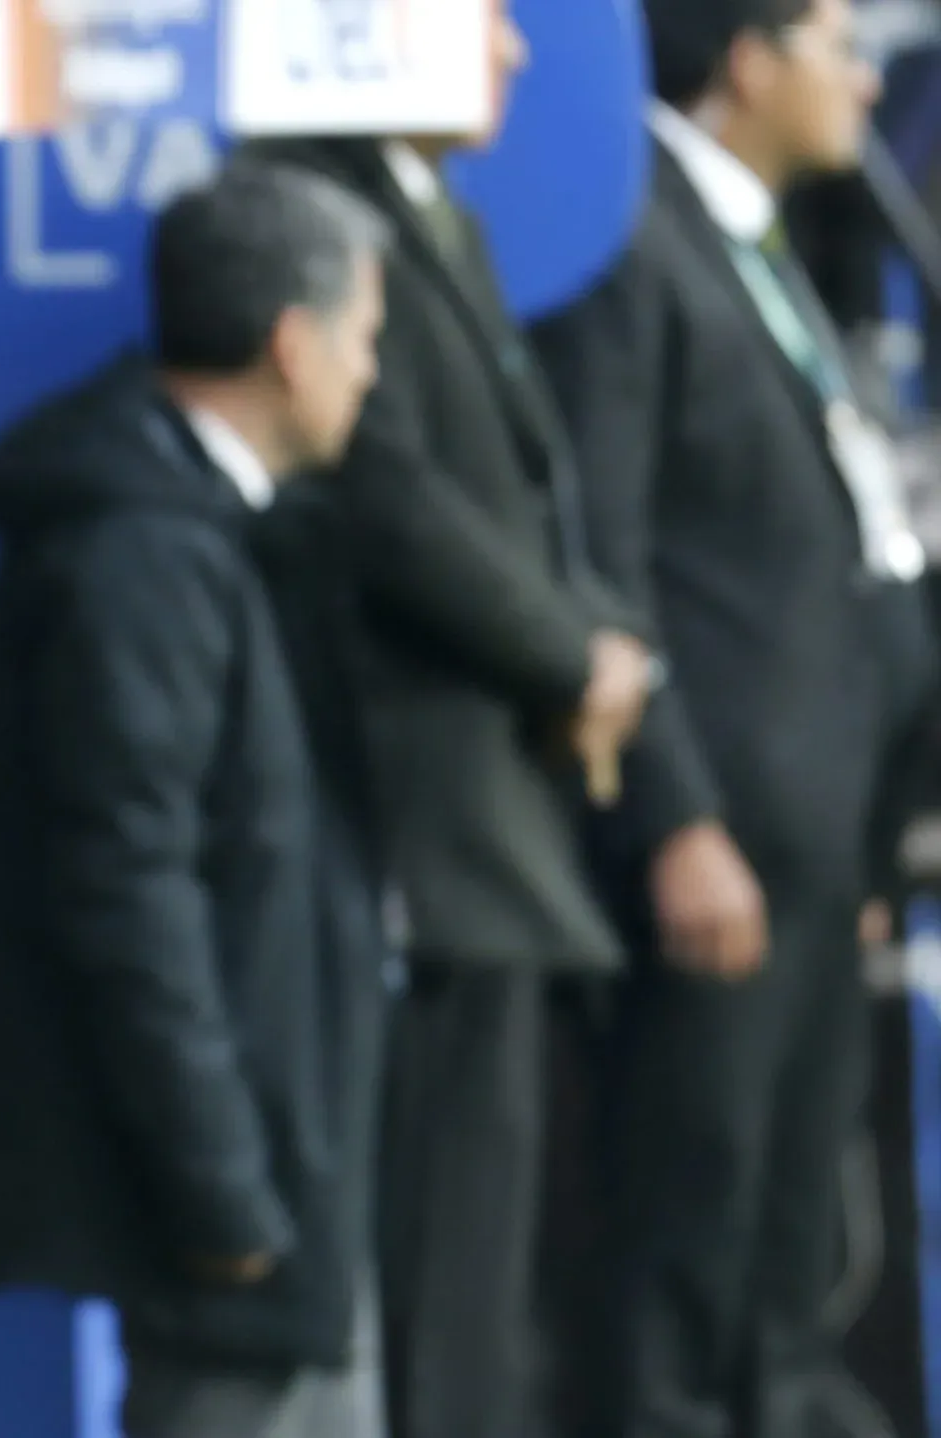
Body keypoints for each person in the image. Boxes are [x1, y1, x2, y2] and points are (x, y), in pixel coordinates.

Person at [0, 161, 394, 1438]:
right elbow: (127, 890)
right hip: (230, 1219)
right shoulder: (139, 552)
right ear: (294, 346)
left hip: (278, 1178)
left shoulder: (205, 523)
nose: (371, 376)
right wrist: (224, 1186)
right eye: (365, 341)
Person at [250, 7, 663, 1434]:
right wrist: (564, 658)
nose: (516, 55)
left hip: (509, 824)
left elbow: (532, 502)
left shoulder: (447, 224)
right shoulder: (300, 205)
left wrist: (607, 656)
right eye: (485, 18)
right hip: (422, 832)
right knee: (438, 1279)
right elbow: (396, 505)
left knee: (492, 1277)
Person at [527, 3, 910, 1431]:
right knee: (687, 1229)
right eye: (834, 43)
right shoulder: (631, 240)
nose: (864, 79)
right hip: (724, 845)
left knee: (787, 1226)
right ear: (746, 61)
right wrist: (676, 816)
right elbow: (606, 559)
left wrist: (859, 847)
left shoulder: (758, 244)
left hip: (819, 842)